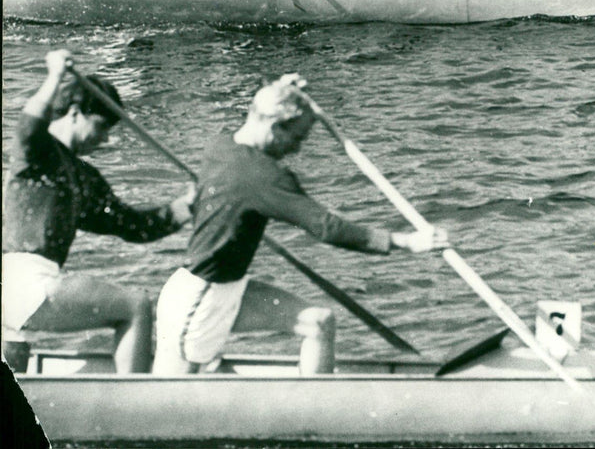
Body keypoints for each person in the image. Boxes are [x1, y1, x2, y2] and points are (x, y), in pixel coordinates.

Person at [153, 73, 448, 376]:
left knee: (318, 322)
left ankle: (316, 414)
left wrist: (283, 89)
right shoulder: (266, 177)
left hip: (231, 289)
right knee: (162, 402)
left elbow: (259, 111)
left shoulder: (220, 144)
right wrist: (406, 242)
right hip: (197, 300)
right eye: (296, 138)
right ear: (274, 125)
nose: (296, 150)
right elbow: (327, 227)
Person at [2, 49, 195, 373]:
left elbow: (134, 227)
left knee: (16, 362)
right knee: (136, 305)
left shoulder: (86, 180)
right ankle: (136, 407)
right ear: (75, 112)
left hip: (13, 290)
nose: (105, 139)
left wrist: (186, 206)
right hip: (27, 281)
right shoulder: (37, 153)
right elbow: (29, 122)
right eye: (102, 126)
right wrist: (54, 77)